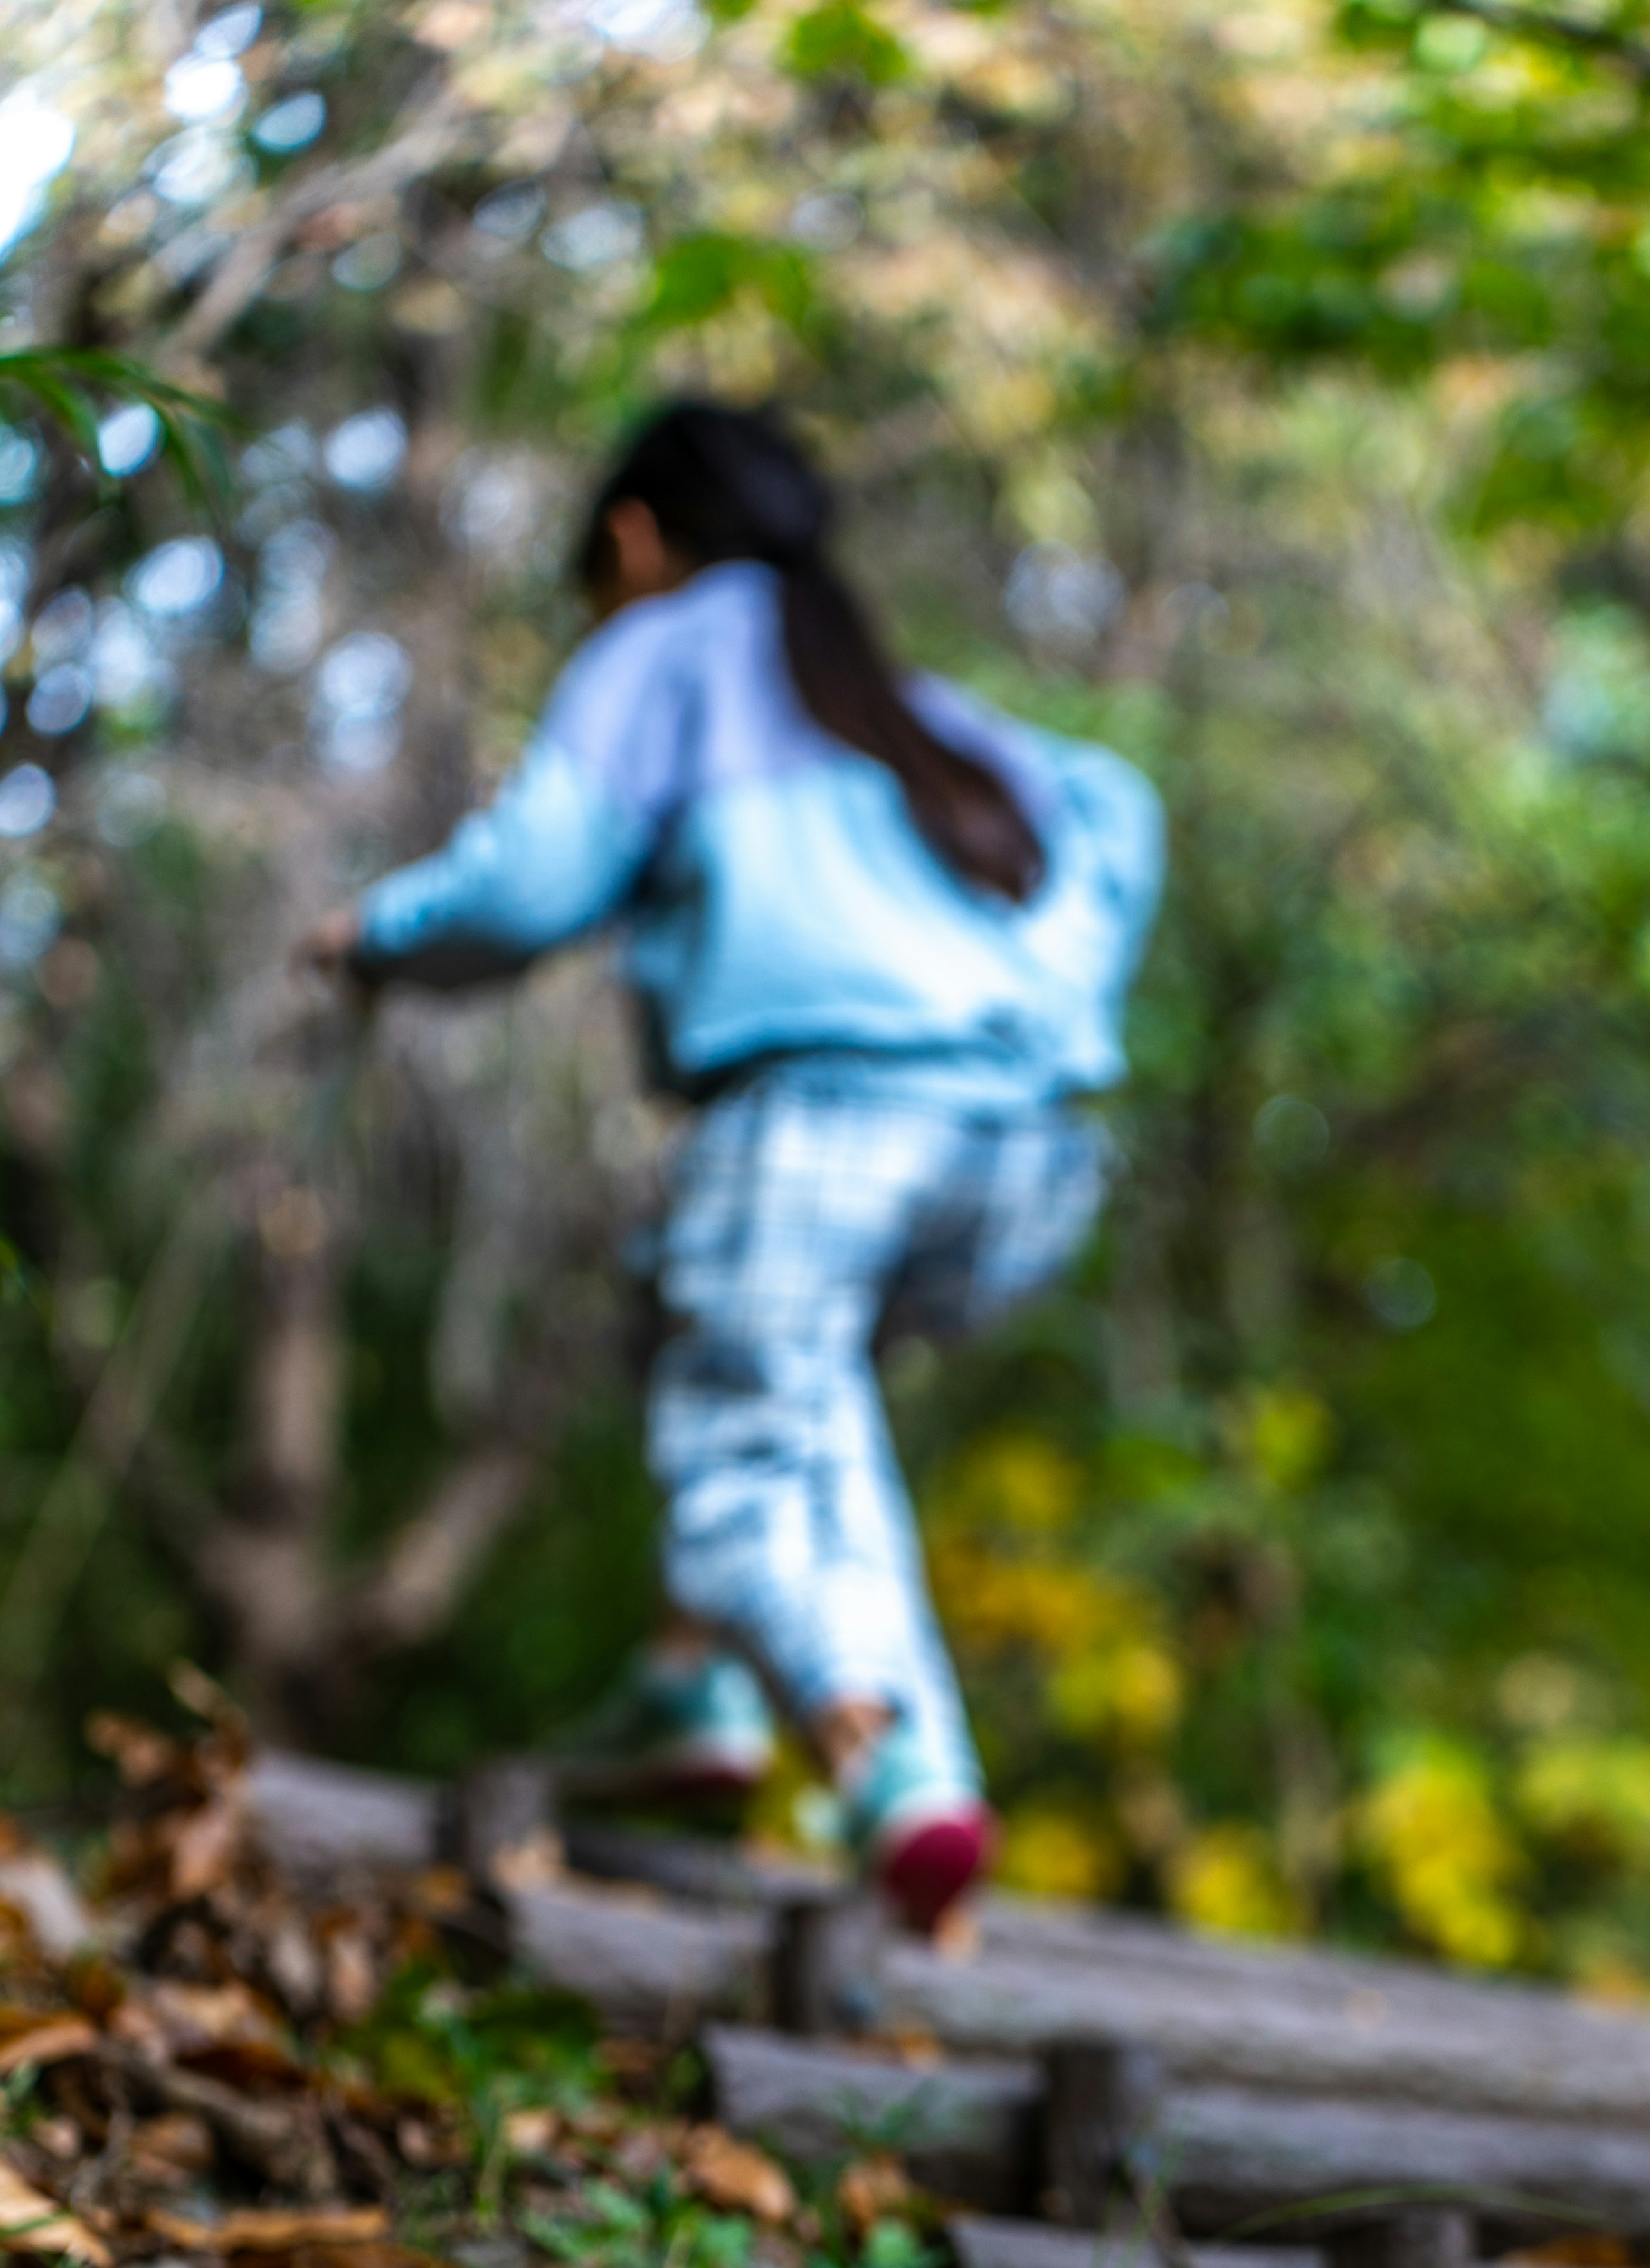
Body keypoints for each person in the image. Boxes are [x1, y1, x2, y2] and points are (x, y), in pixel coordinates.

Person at [303, 399, 1162, 1934]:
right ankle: (697, 1686)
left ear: (633, 539)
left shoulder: (671, 645)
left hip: (826, 1120)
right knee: (776, 1380)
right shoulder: (901, 704)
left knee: (740, 1443)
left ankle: (869, 1739)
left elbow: (530, 885)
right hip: (1024, 1151)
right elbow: (1119, 810)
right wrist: (1061, 995)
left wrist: (376, 938)